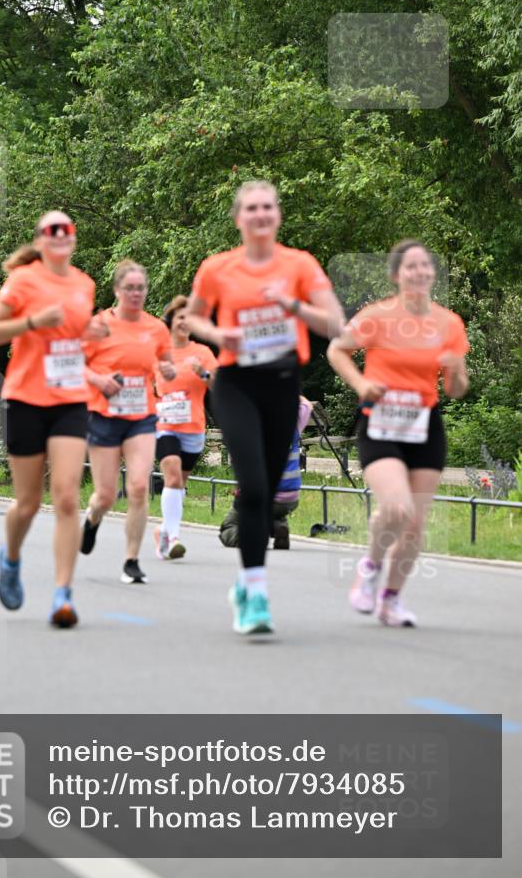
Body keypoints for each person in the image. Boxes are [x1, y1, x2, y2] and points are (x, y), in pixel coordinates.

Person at [186, 181, 344, 634]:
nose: (260, 214)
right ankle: (255, 594)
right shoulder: (217, 268)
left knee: (269, 488)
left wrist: (292, 304)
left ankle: (244, 582)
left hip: (281, 382)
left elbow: (335, 321)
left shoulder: (300, 264)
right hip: (236, 383)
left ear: (277, 215)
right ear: (239, 218)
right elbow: (194, 316)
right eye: (251, 208)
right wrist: (218, 335)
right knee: (254, 486)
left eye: (267, 207)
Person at [327, 239, 469, 627]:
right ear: (396, 275)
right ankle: (370, 567)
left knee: (415, 524)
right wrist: (360, 384)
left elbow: (455, 390)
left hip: (424, 426)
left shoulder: (449, 323)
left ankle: (390, 599)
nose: (419, 272)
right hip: (381, 423)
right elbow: (337, 350)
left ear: (432, 273)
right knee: (396, 508)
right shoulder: (378, 316)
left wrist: (456, 368)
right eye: (411, 266)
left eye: (425, 265)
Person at [0, 211, 106, 628]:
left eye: (66, 230)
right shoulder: (24, 280)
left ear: (73, 238)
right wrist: (33, 321)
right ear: (39, 241)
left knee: (67, 496)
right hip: (26, 398)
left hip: (70, 398)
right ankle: (10, 558)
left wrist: (90, 334)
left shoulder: (84, 284)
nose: (59, 235)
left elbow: (72, 338)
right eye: (50, 231)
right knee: (29, 503)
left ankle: (62, 594)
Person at [81, 260, 175, 584]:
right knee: (106, 496)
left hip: (141, 416)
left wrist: (167, 371)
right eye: (129, 288)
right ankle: (92, 518)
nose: (136, 293)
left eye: (140, 288)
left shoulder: (156, 328)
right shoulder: (98, 325)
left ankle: (131, 560)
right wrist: (98, 380)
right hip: (104, 416)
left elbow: (164, 364)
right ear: (117, 290)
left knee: (138, 486)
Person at [153, 295, 218, 560]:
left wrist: (203, 372)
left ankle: (162, 531)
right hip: (164, 425)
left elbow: (218, 385)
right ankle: (173, 538)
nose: (185, 322)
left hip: (193, 427)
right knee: (172, 477)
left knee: (179, 485)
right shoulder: (157, 353)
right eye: (181, 317)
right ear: (170, 321)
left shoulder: (202, 353)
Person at [219, 396, 313, 551]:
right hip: (289, 499)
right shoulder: (292, 423)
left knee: (228, 528)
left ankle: (256, 537)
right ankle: (278, 526)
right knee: (274, 511)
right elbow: (307, 406)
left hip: (259, 498)